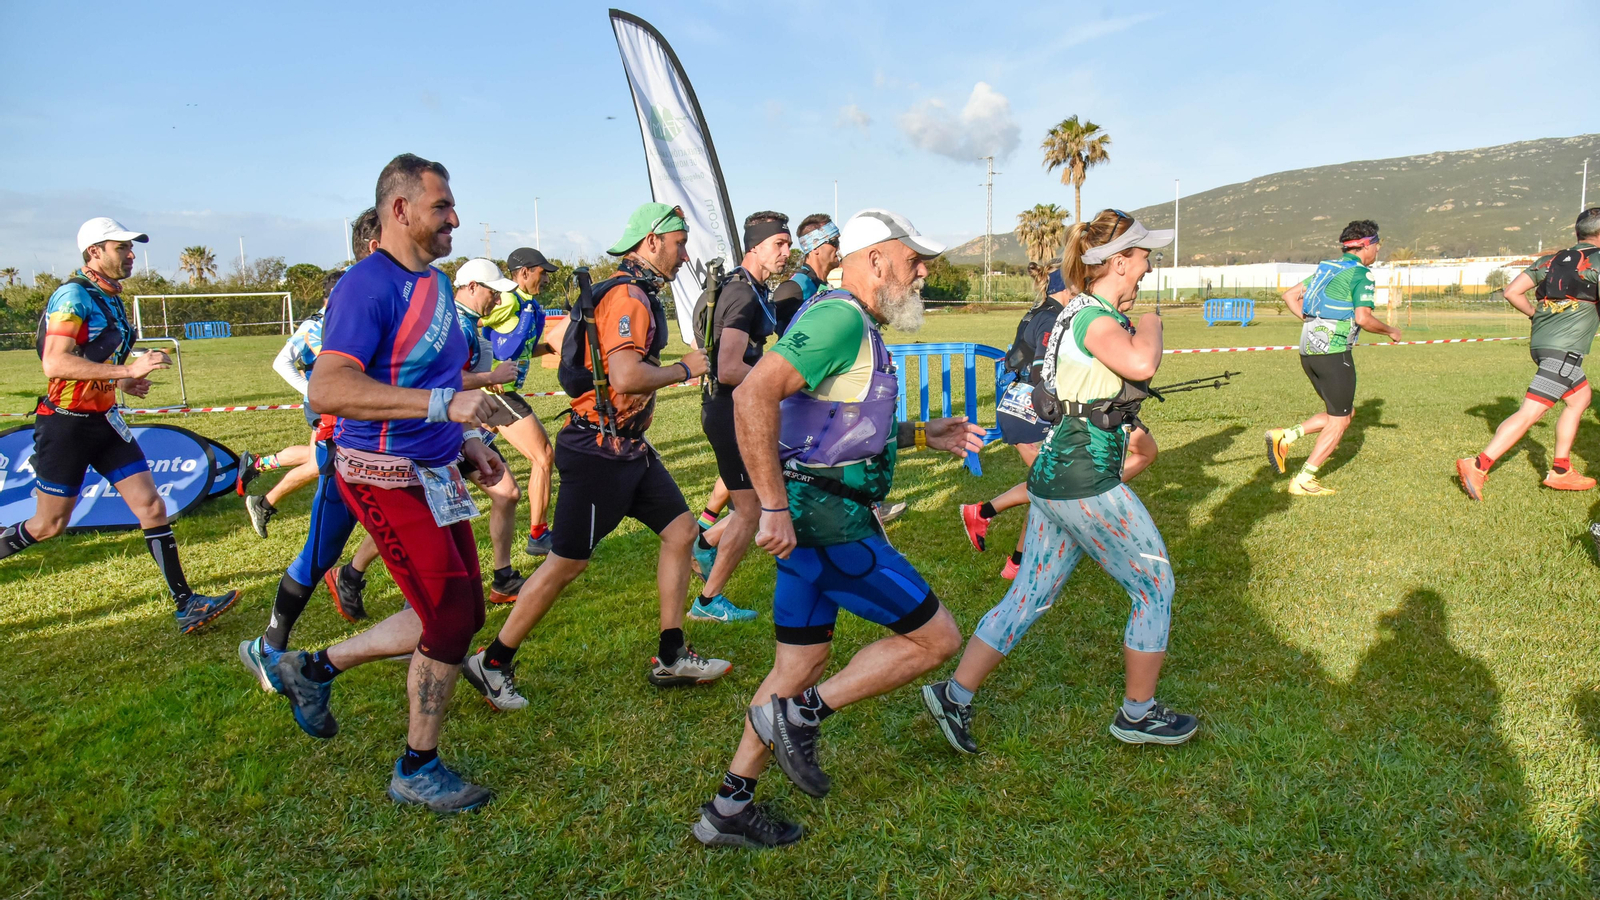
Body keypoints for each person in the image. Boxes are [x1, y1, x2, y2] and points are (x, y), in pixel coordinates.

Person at [692, 209, 984, 849]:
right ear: (875, 259)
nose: (924, 271)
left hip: (813, 521)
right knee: (936, 640)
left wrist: (918, 435)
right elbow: (752, 394)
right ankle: (802, 716)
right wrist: (769, 506)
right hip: (828, 525)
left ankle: (728, 808)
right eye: (914, 259)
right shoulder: (839, 316)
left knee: (799, 663)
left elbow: (824, 419)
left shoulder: (850, 320)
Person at [266, 153, 503, 813]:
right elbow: (329, 385)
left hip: (437, 471)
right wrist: (440, 411)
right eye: (442, 207)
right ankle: (415, 767)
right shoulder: (365, 286)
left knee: (462, 613)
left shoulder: (436, 285)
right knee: (451, 617)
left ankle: (313, 669)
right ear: (400, 210)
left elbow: (448, 379)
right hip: (383, 474)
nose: (455, 218)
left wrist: (473, 439)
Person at [919, 209, 1192, 760]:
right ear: (1117, 261)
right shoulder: (1095, 318)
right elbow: (1141, 364)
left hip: (1054, 476)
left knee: (1030, 593)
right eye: (1143, 258)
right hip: (1084, 480)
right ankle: (1137, 714)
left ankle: (955, 694)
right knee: (1154, 587)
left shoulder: (1079, 311)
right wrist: (1157, 323)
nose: (1147, 269)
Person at [461, 202, 728, 711]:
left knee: (681, 531)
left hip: (628, 445)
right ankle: (492, 661)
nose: (684, 252)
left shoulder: (632, 291)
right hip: (598, 450)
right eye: (679, 241)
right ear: (652, 241)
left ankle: (672, 654)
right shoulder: (628, 296)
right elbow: (626, 376)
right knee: (566, 564)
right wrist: (686, 368)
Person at [0, 217, 238, 633]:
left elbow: (96, 360)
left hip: (105, 421)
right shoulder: (73, 296)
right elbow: (54, 362)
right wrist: (126, 368)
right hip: (67, 425)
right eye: (121, 247)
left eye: (130, 248)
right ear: (94, 252)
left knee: (151, 505)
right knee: (49, 525)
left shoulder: (109, 296)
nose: (130, 255)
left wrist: (125, 379)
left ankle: (186, 604)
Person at [690, 211, 794, 623]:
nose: (786, 253)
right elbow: (729, 366)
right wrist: (780, 382)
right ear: (755, 246)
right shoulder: (742, 293)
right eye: (778, 245)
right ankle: (708, 600)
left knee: (750, 504)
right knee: (752, 510)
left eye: (788, 244)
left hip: (731, 408)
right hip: (730, 409)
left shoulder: (739, 285)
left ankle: (703, 542)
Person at [1458, 208, 1600, 499]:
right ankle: (1478, 464)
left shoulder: (1550, 259)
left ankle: (1561, 471)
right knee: (1530, 412)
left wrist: (1536, 315)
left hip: (1542, 344)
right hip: (1564, 351)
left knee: (1580, 398)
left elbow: (1512, 292)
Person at [1265, 220, 1401, 496]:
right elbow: (1363, 318)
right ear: (1365, 246)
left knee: (1343, 412)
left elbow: (1290, 296)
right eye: (1377, 245)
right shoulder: (1362, 274)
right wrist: (1390, 330)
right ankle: (1304, 479)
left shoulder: (1327, 269)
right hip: (1333, 352)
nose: (1378, 251)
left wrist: (1312, 322)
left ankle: (1286, 436)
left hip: (1308, 351)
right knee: (1340, 420)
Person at [961, 267, 1069, 580]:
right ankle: (984, 515)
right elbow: (1042, 374)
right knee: (1050, 484)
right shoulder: (1052, 319)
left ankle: (1017, 561)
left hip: (1022, 405)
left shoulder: (1041, 312)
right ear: (1070, 287)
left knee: (1048, 485)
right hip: (1030, 410)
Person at [237, 268, 346, 538]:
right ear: (334, 295)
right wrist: (310, 390)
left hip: (338, 402)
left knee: (315, 456)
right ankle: (263, 503)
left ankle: (260, 464)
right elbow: (280, 362)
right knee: (319, 464)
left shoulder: (343, 321)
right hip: (324, 405)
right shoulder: (313, 326)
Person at [451, 257, 534, 603]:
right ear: (471, 288)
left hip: (462, 429)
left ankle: (503, 578)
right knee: (426, 514)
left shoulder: (470, 323)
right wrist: (491, 377)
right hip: (435, 431)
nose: (497, 301)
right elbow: (439, 381)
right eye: (492, 293)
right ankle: (352, 572)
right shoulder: (453, 323)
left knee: (507, 492)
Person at [485, 246, 559, 557]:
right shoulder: (509, 299)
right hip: (495, 393)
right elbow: (474, 321)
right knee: (543, 456)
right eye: (541, 272)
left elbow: (521, 348)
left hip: (491, 394)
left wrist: (551, 349)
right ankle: (538, 534)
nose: (545, 279)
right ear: (525, 272)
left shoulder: (529, 304)